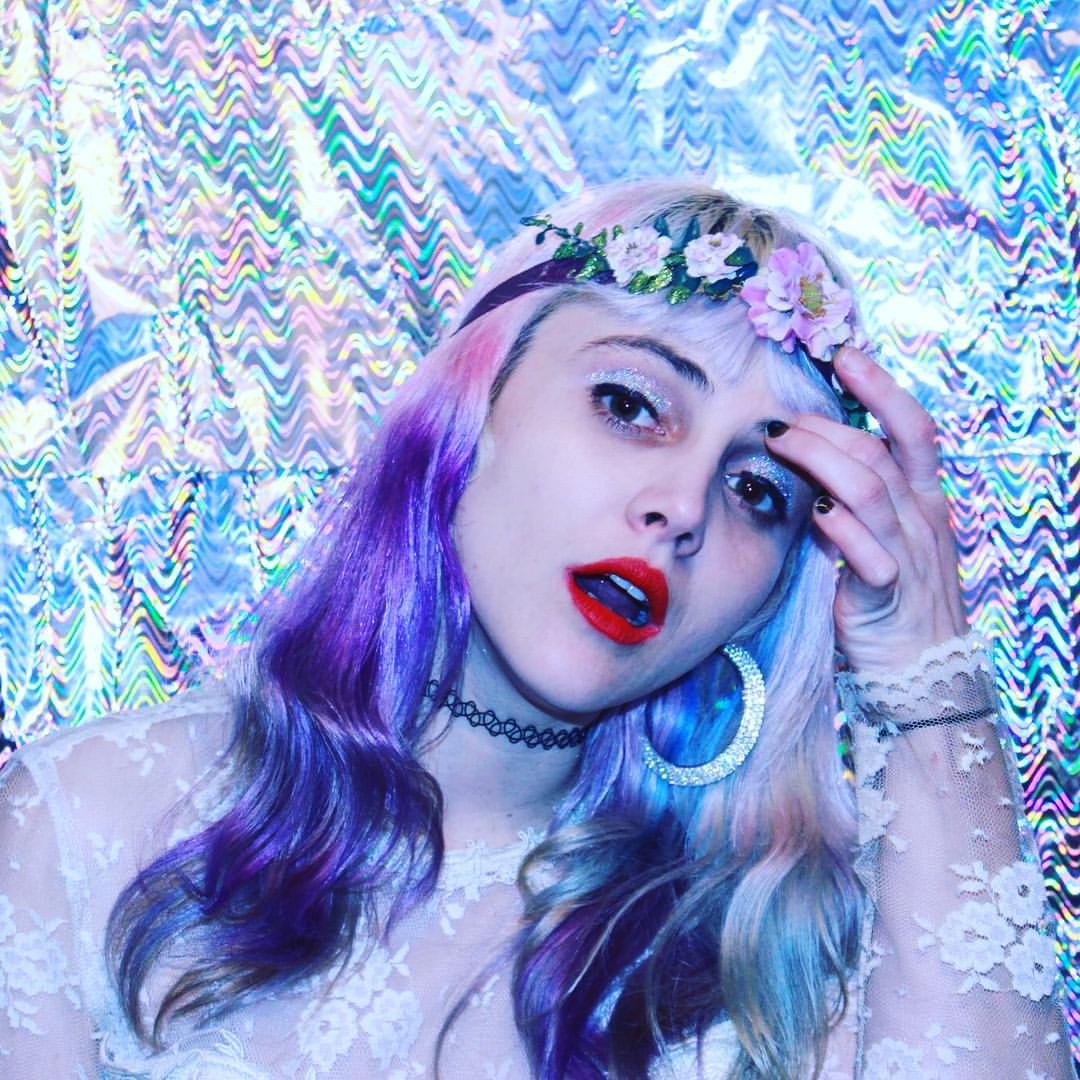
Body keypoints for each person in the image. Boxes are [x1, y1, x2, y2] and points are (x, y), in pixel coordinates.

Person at [0, 181, 1071, 1078]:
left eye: (757, 491)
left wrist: (926, 673)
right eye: (632, 405)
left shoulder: (777, 950)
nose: (682, 507)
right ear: (473, 406)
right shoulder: (86, 824)